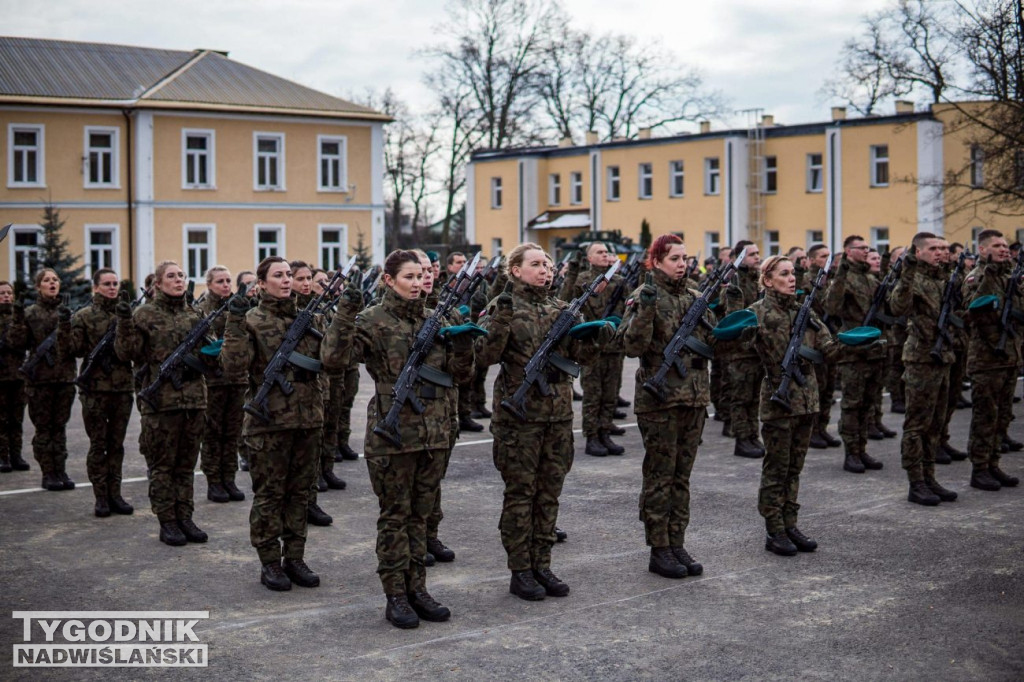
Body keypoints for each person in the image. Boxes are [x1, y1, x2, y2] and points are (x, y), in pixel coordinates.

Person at [325, 249, 475, 628]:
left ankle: (418, 589)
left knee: (421, 518)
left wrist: (464, 341)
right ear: (389, 280)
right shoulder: (372, 319)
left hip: (434, 433)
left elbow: (462, 375)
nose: (418, 282)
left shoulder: (438, 317)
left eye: (422, 274)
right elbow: (334, 359)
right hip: (393, 436)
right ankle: (396, 595)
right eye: (409, 276)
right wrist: (344, 314)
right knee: (395, 517)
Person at [476, 243, 615, 601]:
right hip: (519, 418)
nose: (545, 271)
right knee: (521, 495)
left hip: (557, 415)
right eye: (536, 264)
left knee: (549, 494)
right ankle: (520, 569)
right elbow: (484, 357)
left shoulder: (563, 309)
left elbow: (580, 359)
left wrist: (597, 338)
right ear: (516, 271)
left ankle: (543, 563)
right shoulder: (503, 307)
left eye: (548, 265)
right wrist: (501, 319)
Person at [221, 256, 345, 591]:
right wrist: (233, 321)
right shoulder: (251, 321)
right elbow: (233, 369)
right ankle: (269, 562)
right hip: (269, 422)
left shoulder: (312, 318)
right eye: (278, 275)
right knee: (270, 495)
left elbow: (333, 361)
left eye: (289, 274)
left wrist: (344, 315)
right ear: (261, 284)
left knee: (300, 494)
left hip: (308, 420)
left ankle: (295, 557)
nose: (287, 280)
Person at [618, 235, 710, 578]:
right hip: (659, 401)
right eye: (674, 258)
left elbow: (713, 342)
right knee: (660, 476)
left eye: (685, 258)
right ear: (656, 262)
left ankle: (677, 541)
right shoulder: (643, 296)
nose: (682, 263)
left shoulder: (695, 297)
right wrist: (646, 309)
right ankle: (659, 549)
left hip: (694, 398)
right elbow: (630, 345)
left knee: (681, 478)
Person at [740, 255, 842, 555]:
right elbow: (735, 347)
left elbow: (827, 348)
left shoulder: (804, 312)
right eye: (784, 274)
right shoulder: (757, 312)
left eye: (793, 273)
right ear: (768, 280)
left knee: (794, 469)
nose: (792, 278)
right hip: (778, 402)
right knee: (777, 468)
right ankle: (774, 529)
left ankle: (790, 522)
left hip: (806, 401)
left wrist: (854, 343)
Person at [115, 261, 208, 546]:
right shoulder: (144, 314)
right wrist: (124, 322)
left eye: (181, 274)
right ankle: (167, 521)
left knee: (186, 465)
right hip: (161, 403)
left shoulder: (195, 313)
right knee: (162, 466)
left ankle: (185, 516)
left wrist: (212, 353)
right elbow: (126, 353)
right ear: (157, 283)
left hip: (193, 400)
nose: (179, 280)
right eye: (171, 276)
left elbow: (210, 350)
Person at [888, 233, 959, 505]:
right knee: (917, 425)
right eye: (934, 249)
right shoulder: (913, 278)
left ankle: (930, 477)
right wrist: (906, 273)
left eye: (943, 248)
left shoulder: (944, 278)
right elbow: (897, 306)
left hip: (943, 358)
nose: (941, 252)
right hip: (920, 358)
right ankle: (916, 482)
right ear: (918, 252)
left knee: (936, 424)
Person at [58, 268, 135, 516]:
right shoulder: (84, 316)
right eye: (107, 284)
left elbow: (132, 350)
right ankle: (101, 497)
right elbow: (72, 349)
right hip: (95, 391)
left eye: (115, 283)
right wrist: (63, 324)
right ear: (96, 288)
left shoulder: (127, 315)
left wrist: (124, 321)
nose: (113, 287)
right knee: (98, 445)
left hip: (122, 389)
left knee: (117, 445)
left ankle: (116, 494)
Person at [961, 229, 1020, 491]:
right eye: (997, 245)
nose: (1004, 249)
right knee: (985, 416)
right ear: (983, 250)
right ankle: (980, 468)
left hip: (1009, 356)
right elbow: (972, 309)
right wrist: (991, 276)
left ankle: (994, 463)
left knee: (1003, 416)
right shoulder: (976, 276)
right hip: (986, 358)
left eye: (1005, 245)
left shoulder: (1011, 276)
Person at [823, 235, 887, 474]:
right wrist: (840, 274)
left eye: (867, 248)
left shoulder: (871, 279)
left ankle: (861, 449)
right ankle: (851, 453)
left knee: (868, 404)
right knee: (852, 404)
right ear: (849, 252)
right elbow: (831, 307)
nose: (866, 251)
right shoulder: (844, 278)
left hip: (874, 350)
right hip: (853, 351)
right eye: (862, 248)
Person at [21, 268, 77, 490]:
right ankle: (48, 472)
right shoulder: (30, 313)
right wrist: (16, 319)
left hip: (64, 379)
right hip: (40, 381)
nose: (52, 283)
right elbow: (19, 343)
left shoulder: (67, 314)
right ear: (38, 286)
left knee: (60, 427)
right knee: (44, 429)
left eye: (55, 280)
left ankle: (60, 469)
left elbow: (75, 345)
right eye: (47, 280)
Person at [571, 242, 627, 457]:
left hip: (613, 345)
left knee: (610, 393)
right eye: (599, 252)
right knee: (593, 394)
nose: (604, 255)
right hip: (591, 346)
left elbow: (626, 312)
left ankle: (605, 432)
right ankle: (592, 436)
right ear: (590, 258)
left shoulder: (620, 281)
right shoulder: (583, 281)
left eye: (606, 252)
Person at [198, 266, 247, 504]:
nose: (226, 285)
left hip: (237, 380)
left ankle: (229, 478)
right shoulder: (202, 310)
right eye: (220, 281)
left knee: (232, 432)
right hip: (214, 380)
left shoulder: (236, 307)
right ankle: (213, 481)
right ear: (209, 284)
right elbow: (205, 345)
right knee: (213, 432)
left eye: (228, 280)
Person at [723, 241, 765, 458]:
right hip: (740, 350)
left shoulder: (758, 281)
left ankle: (752, 435)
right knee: (741, 397)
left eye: (758, 253)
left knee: (755, 397)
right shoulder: (734, 282)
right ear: (739, 258)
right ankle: (741, 439)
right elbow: (733, 316)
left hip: (757, 349)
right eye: (752, 254)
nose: (757, 257)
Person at [803, 244, 842, 449]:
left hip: (830, 338)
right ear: (810, 260)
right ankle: (812, 431)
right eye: (822, 256)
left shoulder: (831, 281)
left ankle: (822, 428)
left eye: (829, 255)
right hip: (813, 341)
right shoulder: (804, 281)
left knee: (828, 389)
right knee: (816, 388)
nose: (828, 259)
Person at [0, 281, 30, 473]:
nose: (6, 296)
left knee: (16, 419)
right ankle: (3, 457)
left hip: (18, 376)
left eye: (9, 293)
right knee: (1, 419)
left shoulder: (20, 317)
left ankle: (16, 455)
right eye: (2, 293)